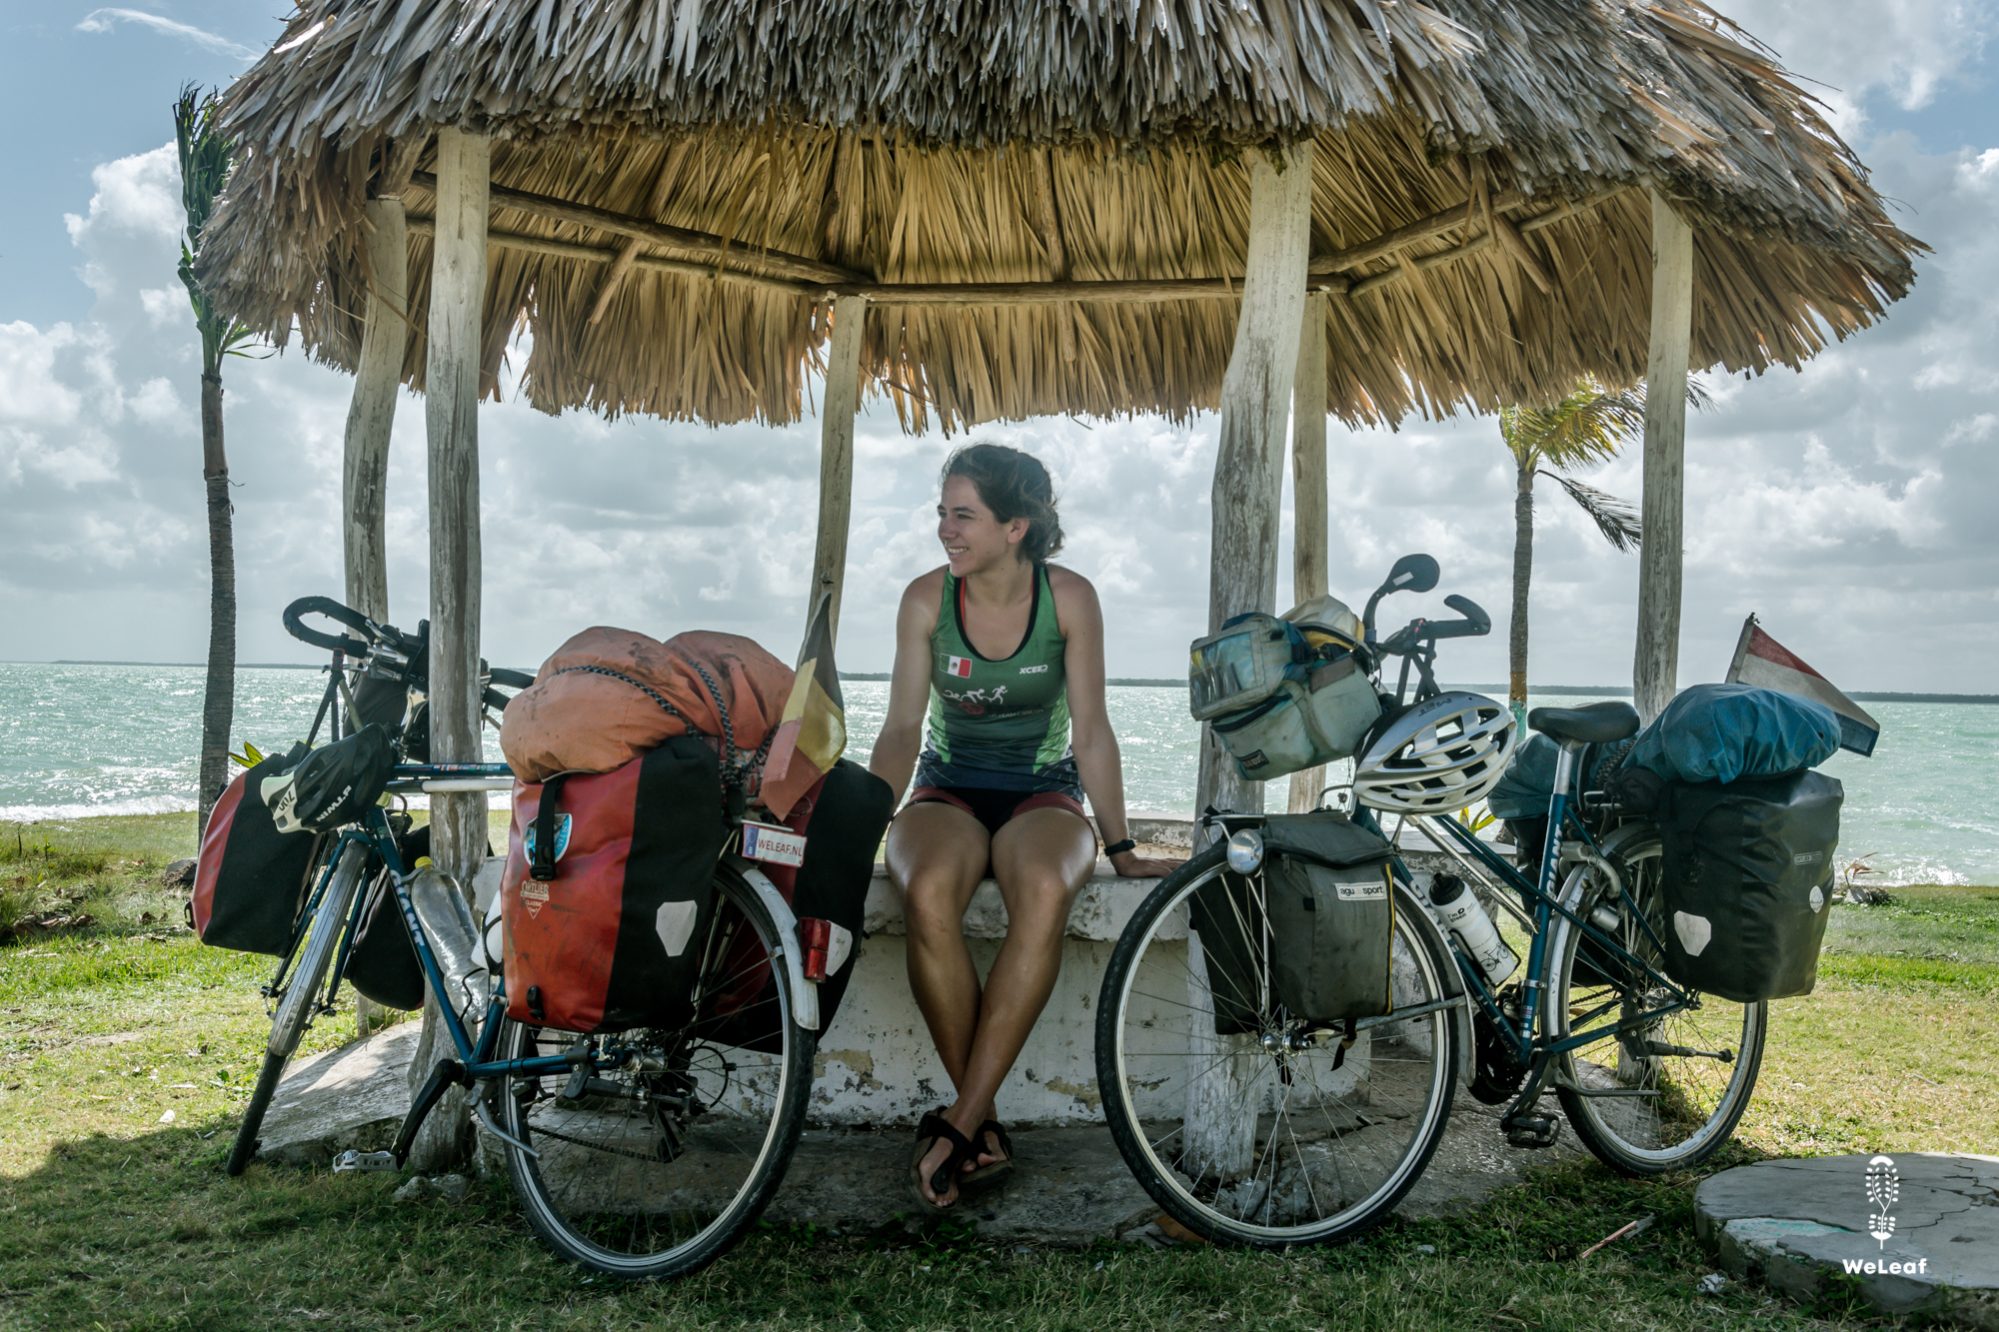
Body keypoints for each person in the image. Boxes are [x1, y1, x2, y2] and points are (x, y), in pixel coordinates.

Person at [868, 442, 1178, 1212]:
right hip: (946, 790)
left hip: (1042, 792)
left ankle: (961, 1122)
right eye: (942, 512)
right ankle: (982, 1124)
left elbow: (1093, 732)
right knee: (929, 886)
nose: (944, 528)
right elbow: (902, 731)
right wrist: (862, 825)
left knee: (1043, 885)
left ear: (1016, 525)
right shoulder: (923, 601)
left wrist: (1121, 845)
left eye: (962, 514)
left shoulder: (1067, 598)